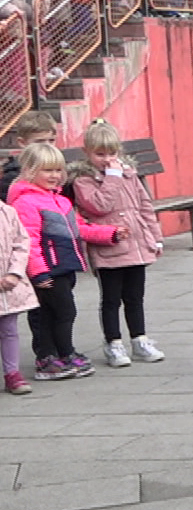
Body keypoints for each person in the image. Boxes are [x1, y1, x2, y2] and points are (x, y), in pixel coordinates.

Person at [10, 143, 122, 381]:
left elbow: (78, 228)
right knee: (61, 312)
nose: (54, 176)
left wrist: (109, 234)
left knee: (53, 313)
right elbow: (29, 240)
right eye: (47, 170)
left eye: (58, 170)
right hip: (47, 270)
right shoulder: (25, 203)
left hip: (64, 267)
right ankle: (56, 355)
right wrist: (38, 272)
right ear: (30, 171)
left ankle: (55, 356)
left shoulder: (61, 201)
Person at [70, 120, 165, 368]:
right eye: (100, 154)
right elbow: (100, 205)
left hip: (135, 245)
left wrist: (154, 237)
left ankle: (139, 339)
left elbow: (145, 206)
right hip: (108, 247)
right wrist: (112, 178)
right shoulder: (84, 181)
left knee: (135, 297)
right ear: (87, 153)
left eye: (111, 153)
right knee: (111, 299)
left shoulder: (128, 175)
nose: (106, 159)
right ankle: (113, 342)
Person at [0, 190, 34, 394]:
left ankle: (12, 373)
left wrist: (14, 273)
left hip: (7, 285)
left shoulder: (7, 212)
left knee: (9, 329)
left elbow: (21, 244)